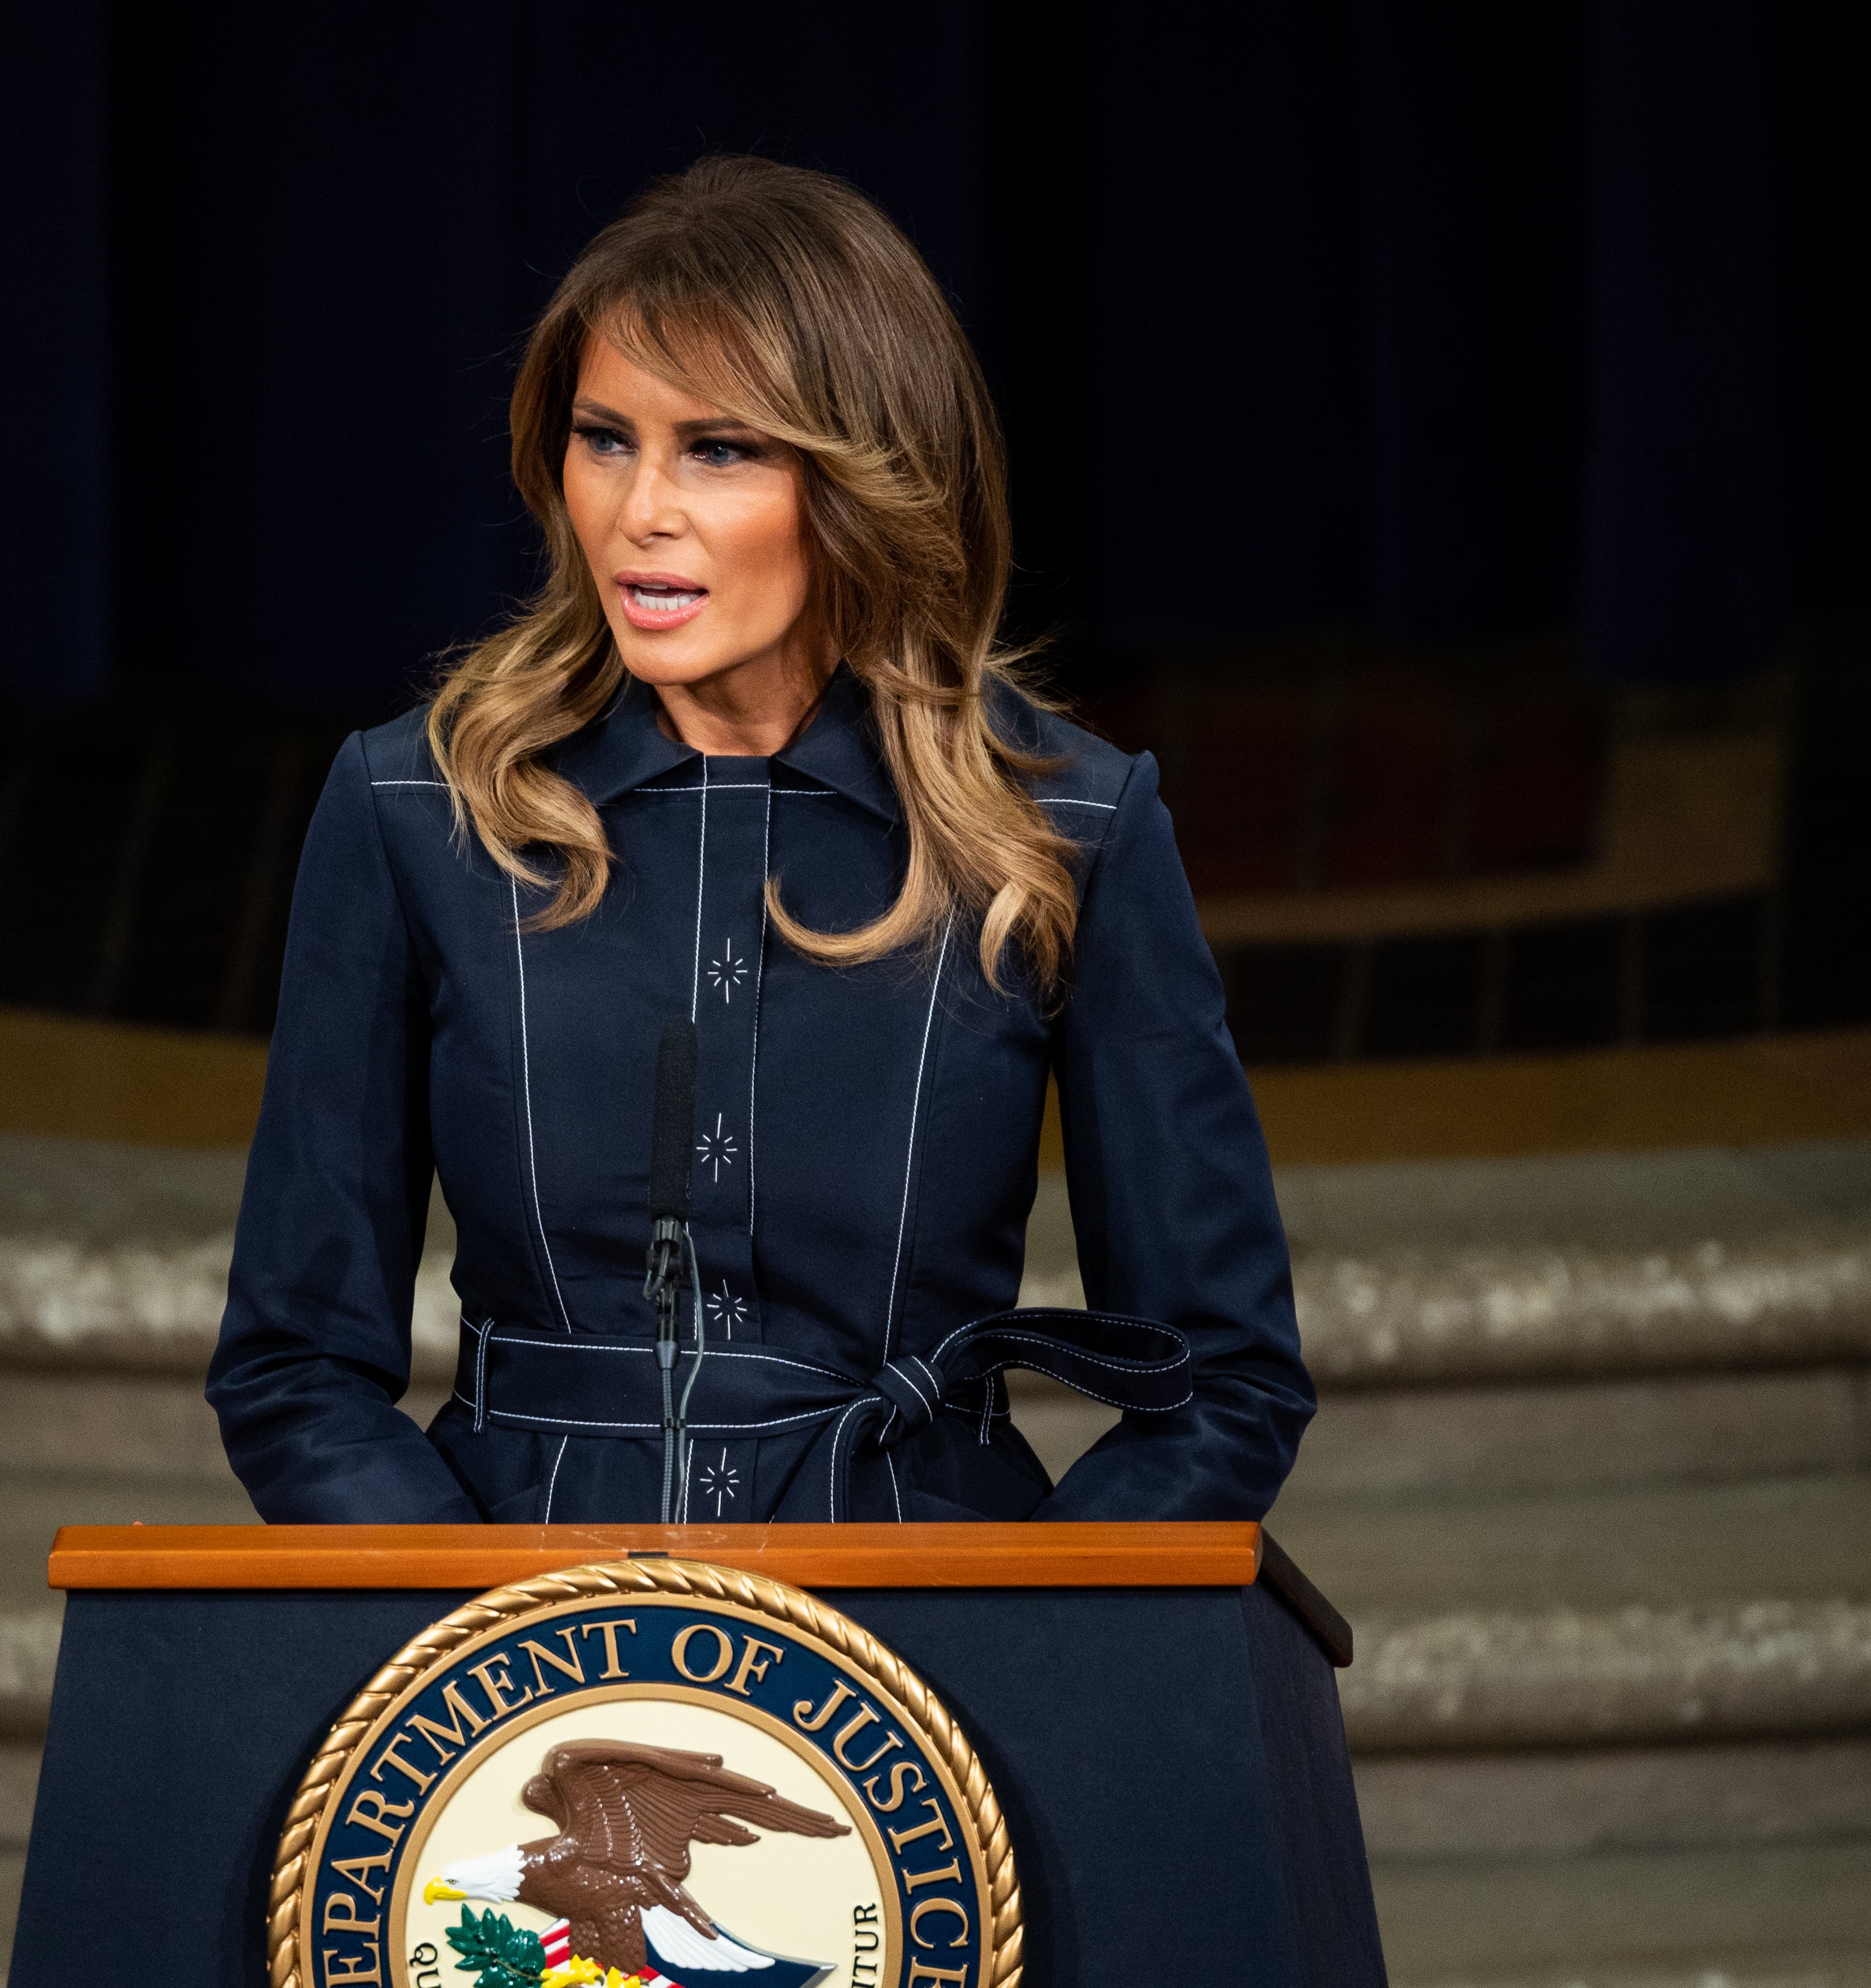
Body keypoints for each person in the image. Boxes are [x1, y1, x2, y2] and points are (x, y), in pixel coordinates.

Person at [208, 156, 1314, 1535]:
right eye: (604, 437)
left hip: (927, 1657)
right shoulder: (414, 809)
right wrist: (485, 1656)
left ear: (862, 483)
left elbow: (1220, 1385)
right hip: (513, 1658)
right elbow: (293, 1363)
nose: (638, 509)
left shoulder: (1069, 829)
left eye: (717, 449)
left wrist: (1022, 1647)